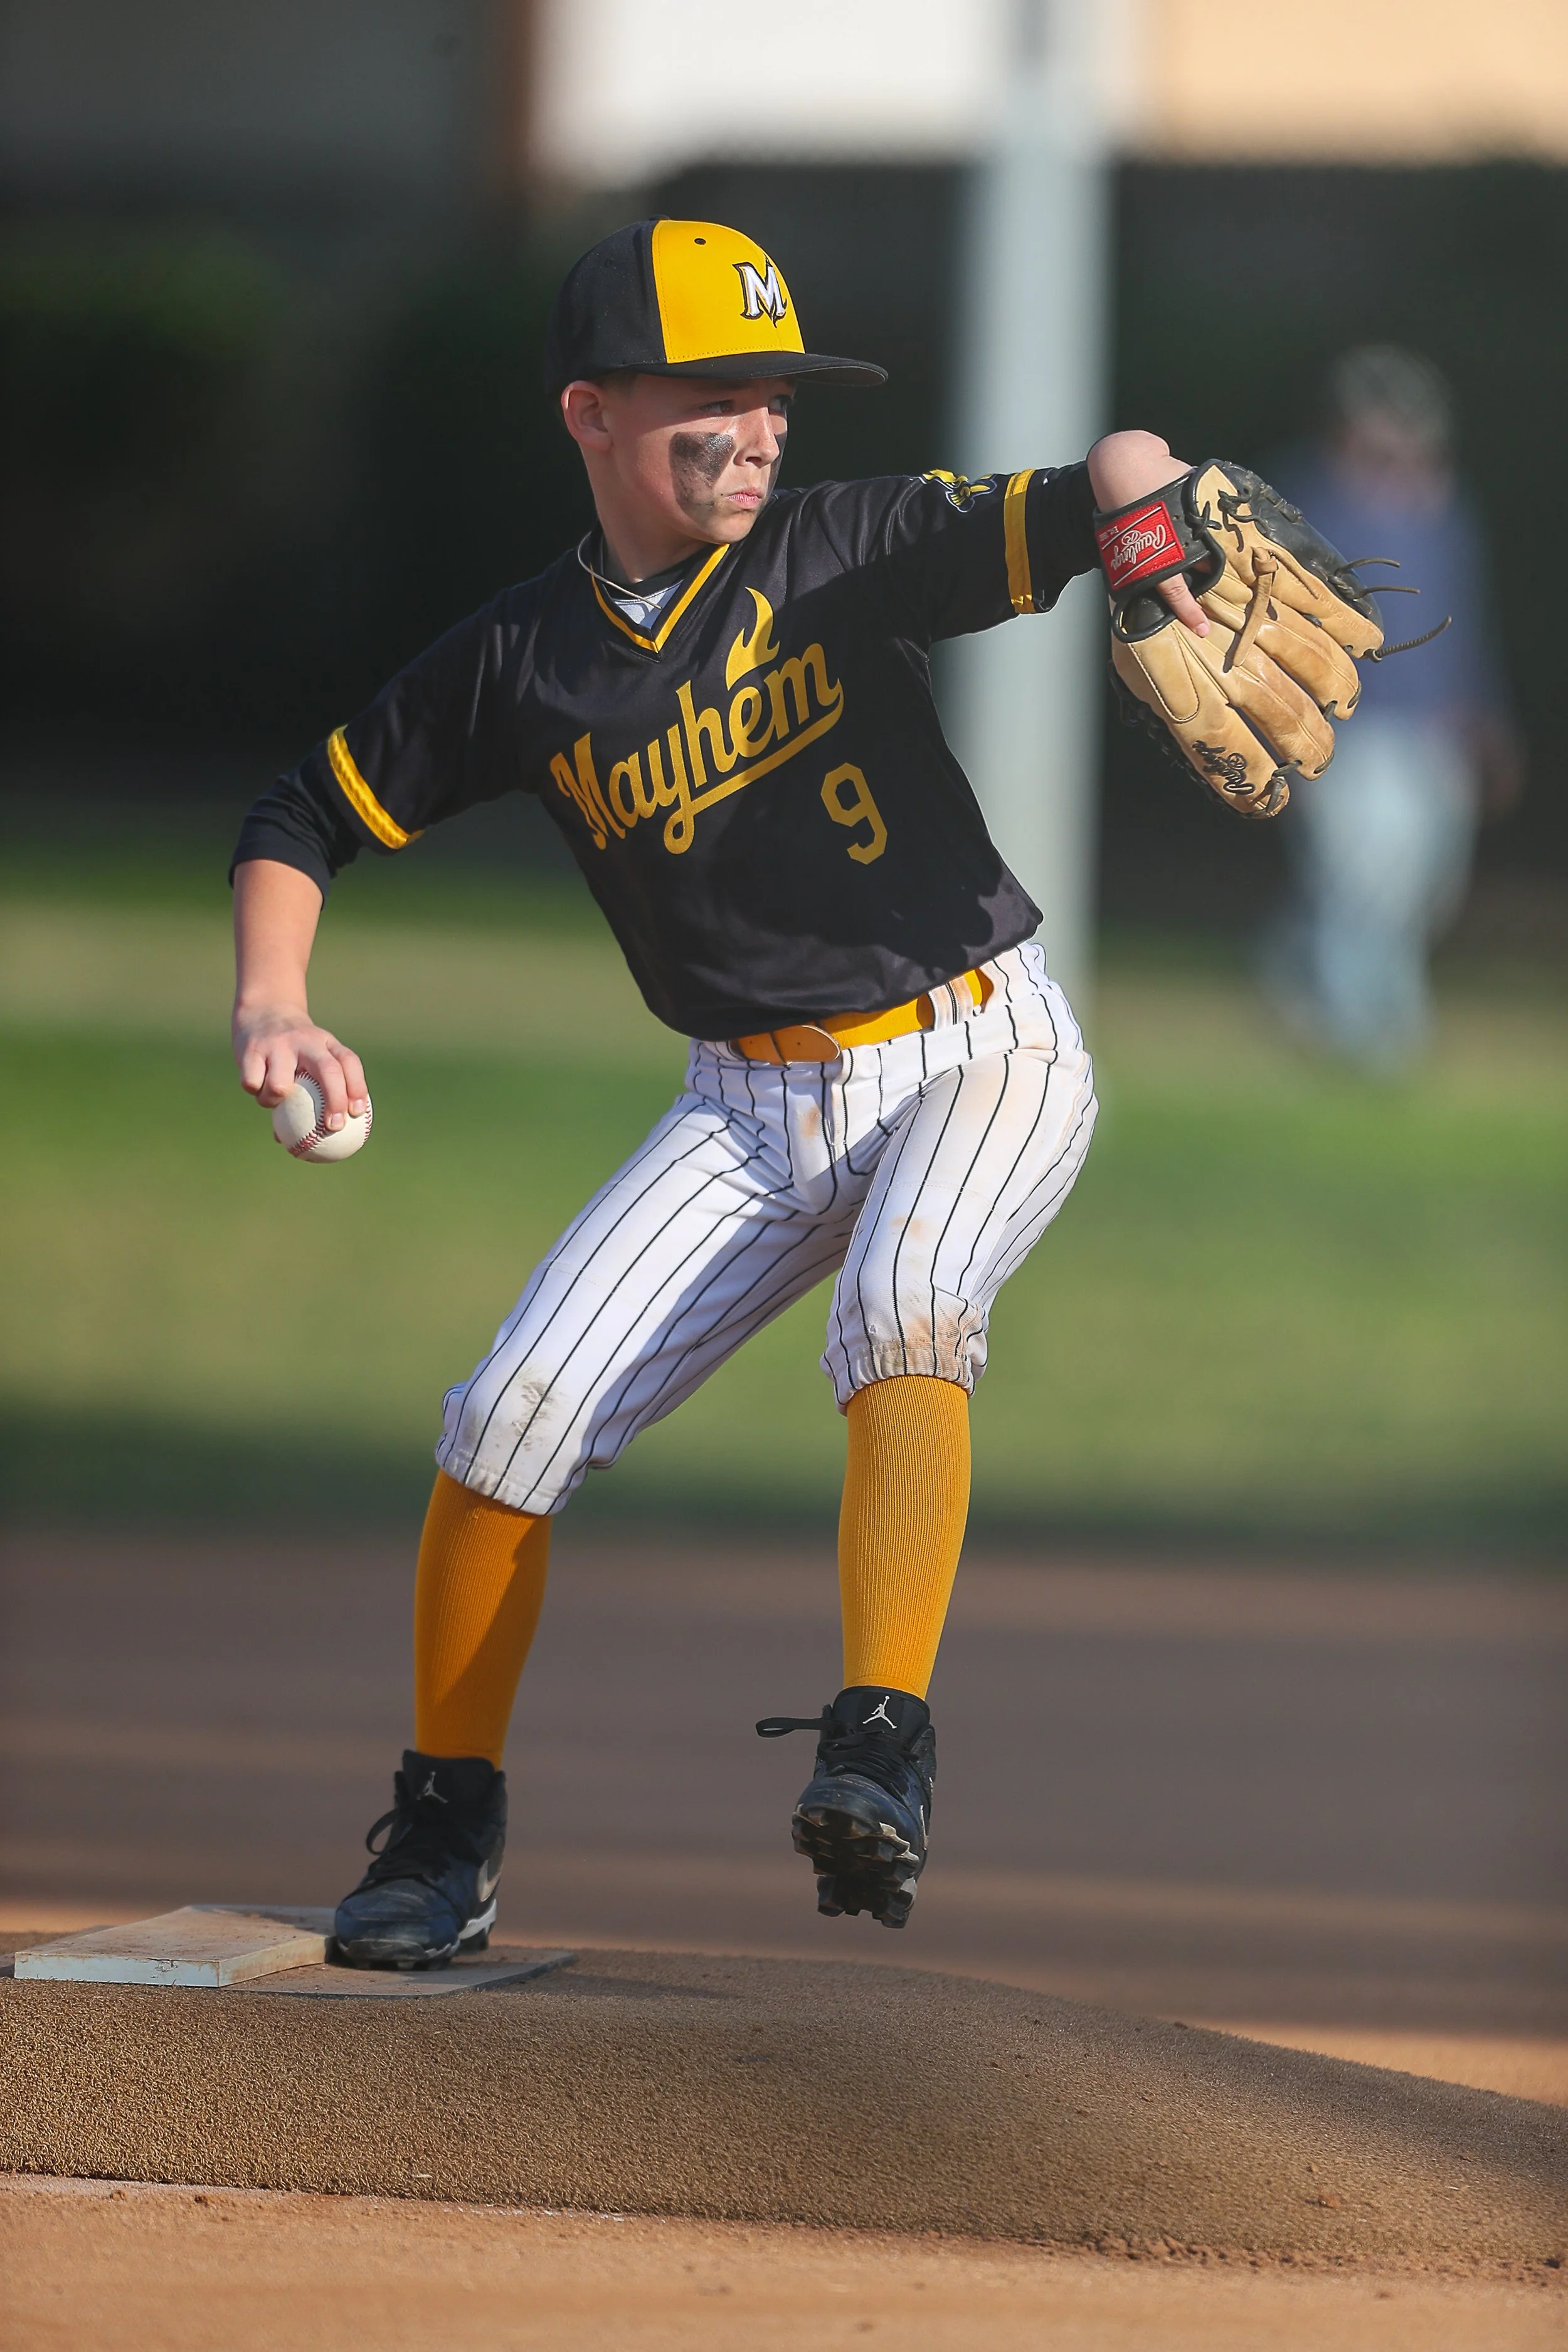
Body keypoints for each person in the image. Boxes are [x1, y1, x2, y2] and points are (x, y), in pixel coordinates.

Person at [230, 219, 1212, 1967]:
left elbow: (1107, 473)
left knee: (908, 1296)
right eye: (710, 400)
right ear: (589, 414)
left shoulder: (842, 551)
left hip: (975, 1048)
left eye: (773, 396)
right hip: (743, 1113)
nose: (757, 430)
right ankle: (443, 1827)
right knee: (506, 1414)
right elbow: (303, 810)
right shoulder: (523, 663)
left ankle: (881, 1738)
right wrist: (274, 1002)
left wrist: (1145, 548)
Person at [1265, 347, 1522, 1068]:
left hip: (1431, 729)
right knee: (1363, 877)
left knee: (1423, 885)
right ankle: (1374, 1037)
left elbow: (1462, 623)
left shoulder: (1443, 510)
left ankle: (1294, 975)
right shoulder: (1307, 501)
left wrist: (1484, 718)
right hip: (1346, 726)